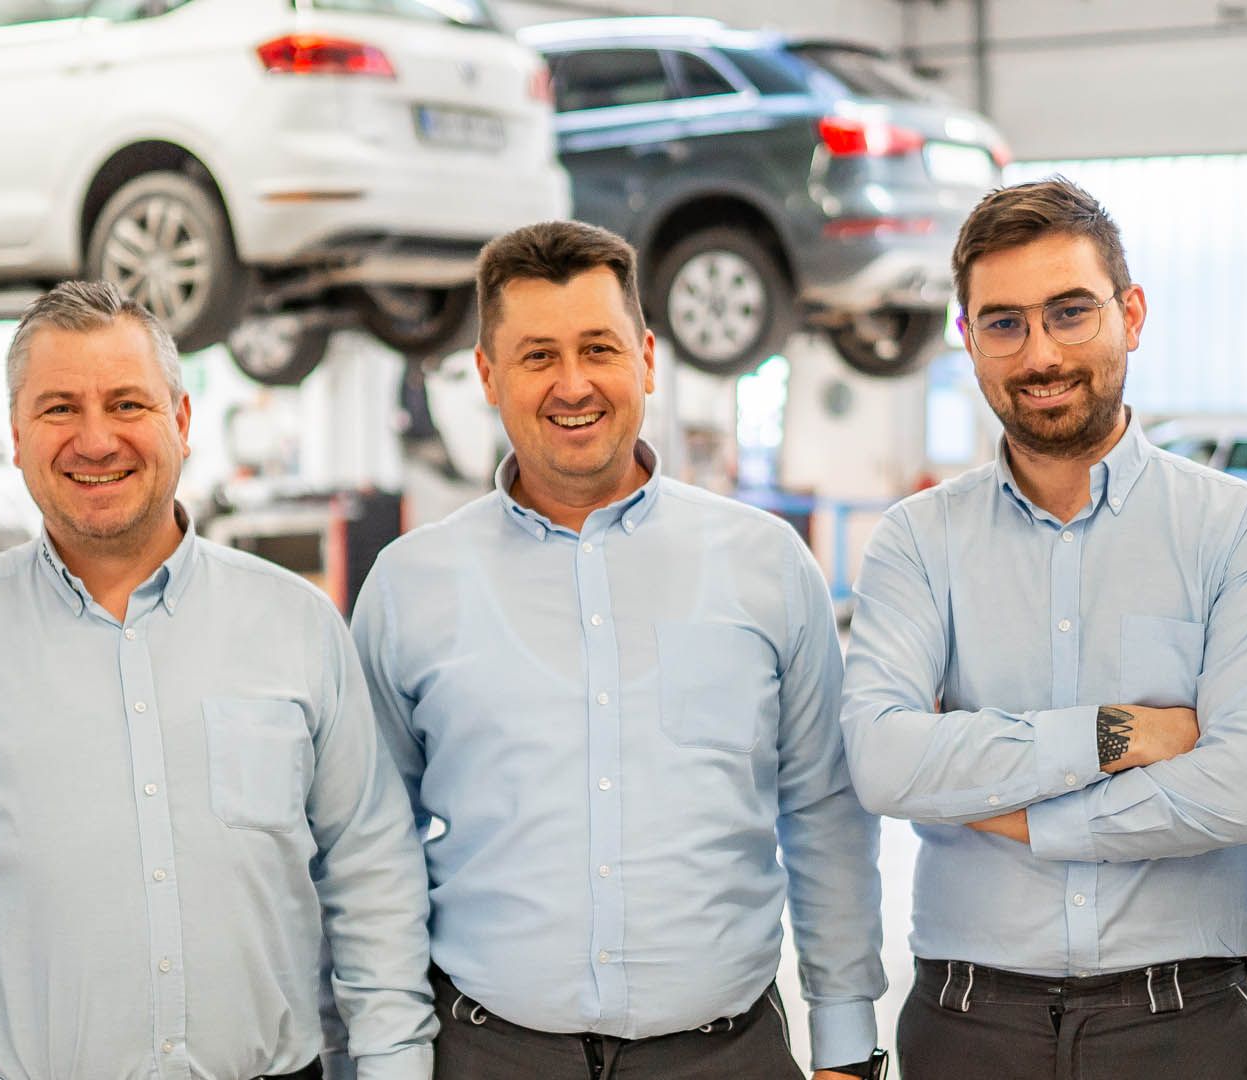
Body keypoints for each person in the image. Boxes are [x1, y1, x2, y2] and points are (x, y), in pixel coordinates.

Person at [350, 220, 889, 1080]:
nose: (573, 384)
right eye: (537, 356)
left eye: (598, 348)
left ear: (645, 359)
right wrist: (387, 1062)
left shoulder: (766, 565)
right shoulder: (409, 586)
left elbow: (825, 813)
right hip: (487, 1054)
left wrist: (848, 1047)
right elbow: (372, 847)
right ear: (487, 374)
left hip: (725, 1058)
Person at [0, 280, 437, 1080]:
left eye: (127, 404)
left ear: (181, 422)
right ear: (15, 434)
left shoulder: (295, 625)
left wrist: (393, 1066)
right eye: (59, 409)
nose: (95, 439)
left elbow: (371, 875)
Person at [841, 178, 1247, 1079]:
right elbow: (885, 761)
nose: (1041, 353)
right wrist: (1115, 735)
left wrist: (1007, 809)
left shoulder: (1236, 532)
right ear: (968, 339)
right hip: (967, 1023)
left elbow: (1244, 793)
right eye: (1005, 323)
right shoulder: (917, 540)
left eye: (1070, 312)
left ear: (1131, 315)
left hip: (1186, 1023)